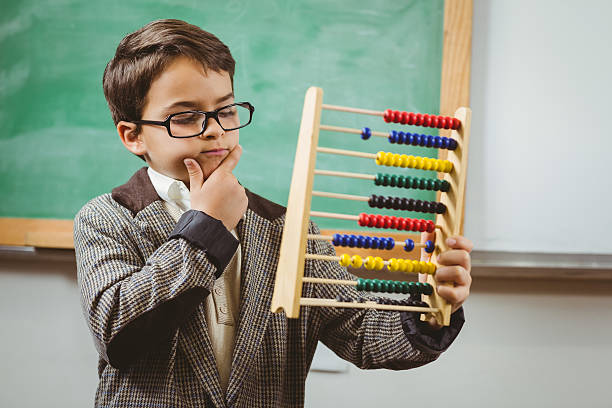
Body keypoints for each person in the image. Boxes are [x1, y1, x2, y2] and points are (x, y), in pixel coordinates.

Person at [74, 18, 473, 408]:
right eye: (185, 116)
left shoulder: (286, 230)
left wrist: (431, 306)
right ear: (133, 135)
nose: (215, 130)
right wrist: (207, 228)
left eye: (226, 111)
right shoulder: (108, 218)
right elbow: (117, 332)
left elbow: (362, 333)